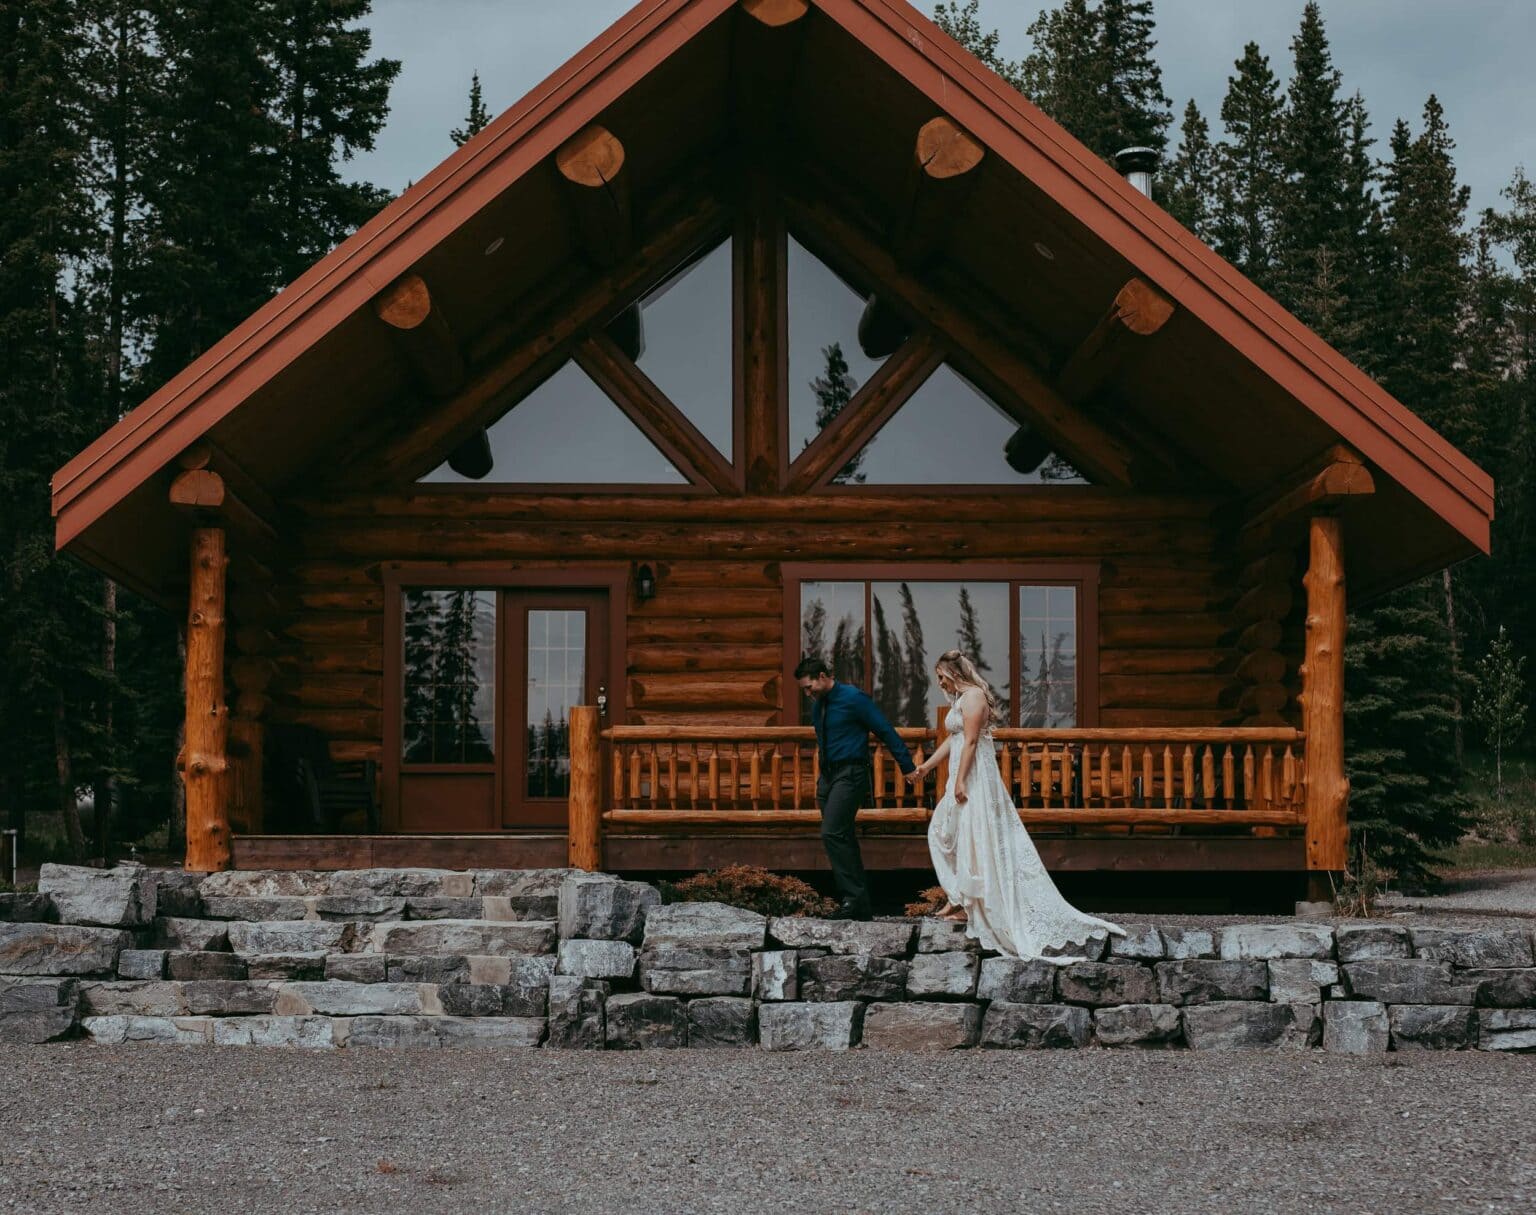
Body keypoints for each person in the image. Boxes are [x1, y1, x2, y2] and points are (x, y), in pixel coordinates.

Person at [907, 649, 1124, 959]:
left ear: (954, 672)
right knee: (944, 831)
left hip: (974, 774)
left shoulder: (974, 697)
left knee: (971, 834)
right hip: (960, 770)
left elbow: (969, 741)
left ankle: (968, 903)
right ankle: (961, 897)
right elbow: (953, 739)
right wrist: (927, 767)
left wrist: (960, 781)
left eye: (942, 675)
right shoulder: (960, 699)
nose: (939, 681)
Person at [795, 656, 916, 921]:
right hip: (828, 778)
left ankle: (852, 899)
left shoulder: (853, 698)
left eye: (809, 687)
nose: (807, 693)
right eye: (804, 689)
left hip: (851, 773)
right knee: (843, 837)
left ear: (824, 676)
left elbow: (885, 730)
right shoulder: (819, 705)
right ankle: (858, 904)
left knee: (832, 833)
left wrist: (907, 766)